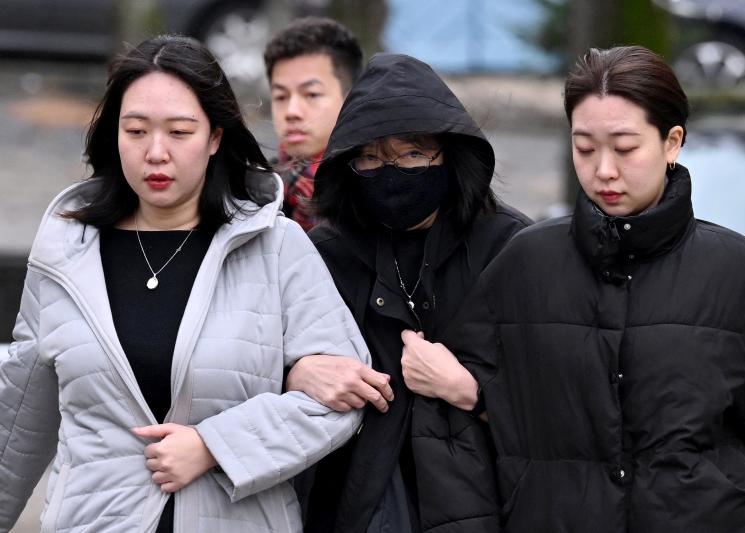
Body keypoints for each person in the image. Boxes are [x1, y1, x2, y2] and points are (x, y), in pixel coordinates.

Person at [409, 45, 745, 532]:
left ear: (672, 142)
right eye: (585, 148)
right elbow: (456, 438)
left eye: (625, 147)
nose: (604, 170)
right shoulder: (524, 266)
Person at [0, 34, 369, 533]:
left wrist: (216, 446)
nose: (156, 153)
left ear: (215, 137)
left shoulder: (277, 244)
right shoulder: (65, 251)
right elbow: (19, 415)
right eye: (135, 131)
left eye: (179, 131)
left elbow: (340, 399)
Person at [284, 53, 531, 533]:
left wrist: (469, 392)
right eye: (371, 158)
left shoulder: (510, 247)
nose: (392, 171)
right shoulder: (324, 253)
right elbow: (253, 366)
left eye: (413, 154)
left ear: (449, 153)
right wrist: (297, 373)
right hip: (355, 496)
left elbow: (556, 399)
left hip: (484, 499)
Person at [264, 16, 363, 231]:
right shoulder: (258, 193)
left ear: (352, 99)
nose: (291, 111)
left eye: (311, 94)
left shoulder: (373, 189)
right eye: (281, 96)